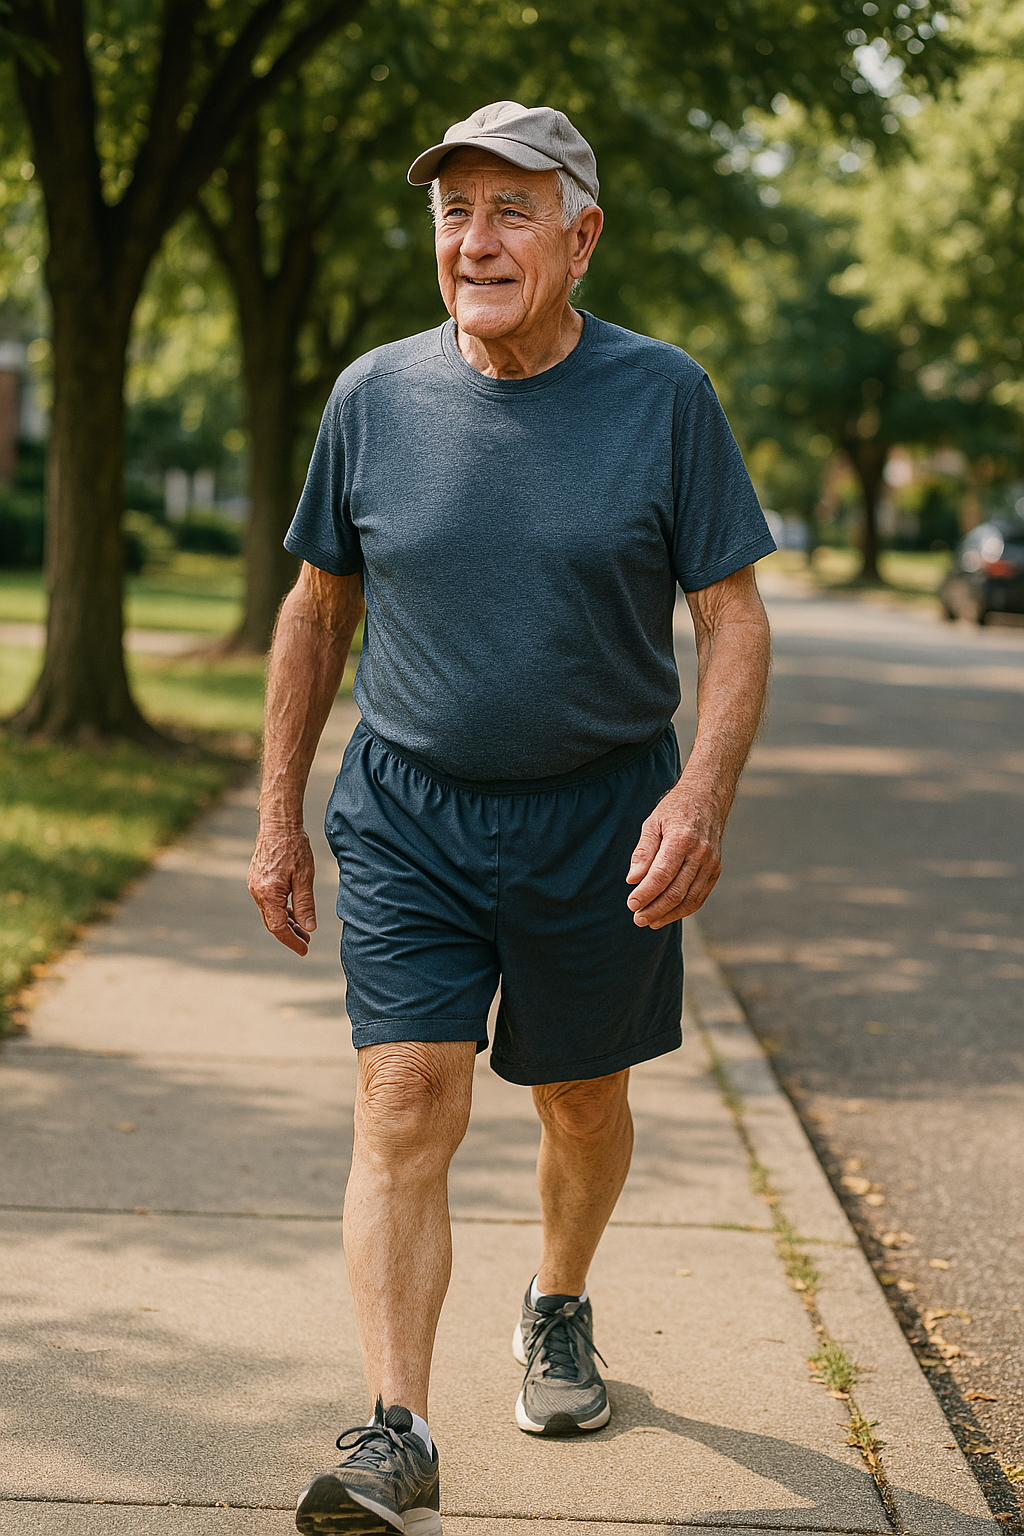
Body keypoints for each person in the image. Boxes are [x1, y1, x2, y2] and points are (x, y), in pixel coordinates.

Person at [247, 99, 774, 1536]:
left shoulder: (664, 396)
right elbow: (317, 605)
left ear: (581, 236)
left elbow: (732, 622)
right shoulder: (372, 396)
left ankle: (557, 1302)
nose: (474, 240)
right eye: (453, 212)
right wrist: (280, 813)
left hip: (598, 820)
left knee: (581, 1099)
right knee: (406, 1096)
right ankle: (397, 1429)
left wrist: (700, 790)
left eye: (511, 211)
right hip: (411, 811)